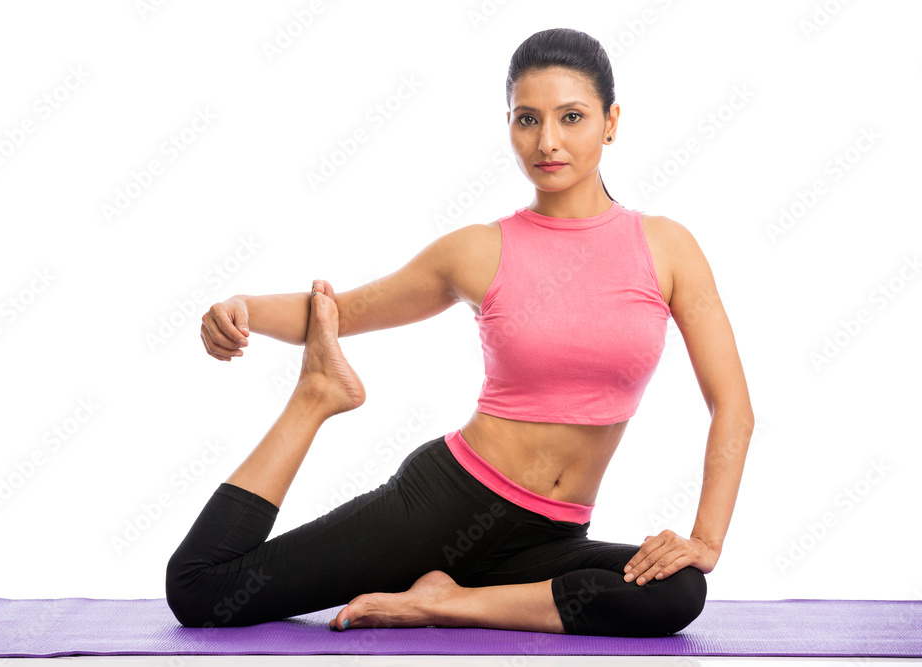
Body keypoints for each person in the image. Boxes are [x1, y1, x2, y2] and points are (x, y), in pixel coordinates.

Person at [165, 27, 754, 637]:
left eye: (571, 117)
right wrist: (242, 309)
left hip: (550, 538)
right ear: (509, 125)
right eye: (527, 119)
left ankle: (439, 603)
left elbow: (731, 404)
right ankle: (316, 397)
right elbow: (346, 310)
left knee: (678, 591)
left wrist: (706, 539)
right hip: (445, 507)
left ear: (611, 122)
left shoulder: (666, 248)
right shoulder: (478, 251)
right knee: (203, 589)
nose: (547, 141)